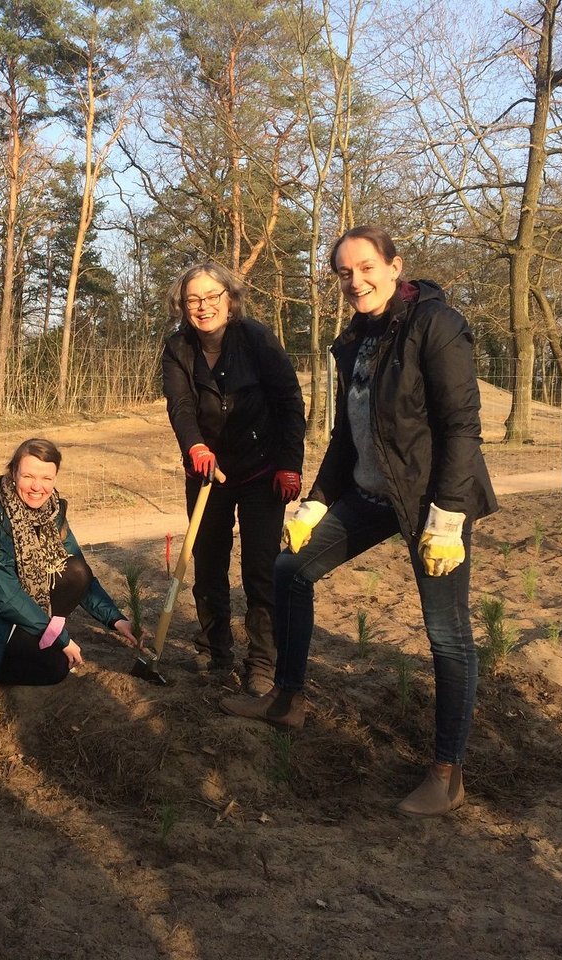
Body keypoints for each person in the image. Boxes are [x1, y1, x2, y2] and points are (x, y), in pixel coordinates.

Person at [220, 225, 498, 818]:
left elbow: (462, 429)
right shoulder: (355, 341)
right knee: (292, 569)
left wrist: (448, 516)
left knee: (446, 633)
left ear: (396, 267)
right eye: (344, 273)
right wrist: (319, 499)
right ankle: (288, 699)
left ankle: (447, 773)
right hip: (372, 495)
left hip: (432, 504)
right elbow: (349, 435)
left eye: (366, 267)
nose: (356, 281)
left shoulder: (436, 325)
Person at [0, 438, 145, 729]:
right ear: (13, 472)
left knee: (74, 582)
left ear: (55, 477)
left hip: (10, 612)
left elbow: (77, 571)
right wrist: (61, 638)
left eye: (46, 478)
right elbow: (3, 595)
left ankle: (0, 659)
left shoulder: (51, 511)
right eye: (28, 476)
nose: (38, 486)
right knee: (51, 660)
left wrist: (117, 620)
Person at [161, 262, 306, 696]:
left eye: (212, 297)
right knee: (207, 562)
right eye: (193, 299)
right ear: (183, 306)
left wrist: (289, 463)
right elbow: (181, 406)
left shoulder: (256, 339)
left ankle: (262, 661)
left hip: (263, 469)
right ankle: (214, 649)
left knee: (261, 568)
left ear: (230, 299)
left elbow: (289, 400)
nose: (203, 307)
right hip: (208, 471)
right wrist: (195, 447)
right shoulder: (177, 348)